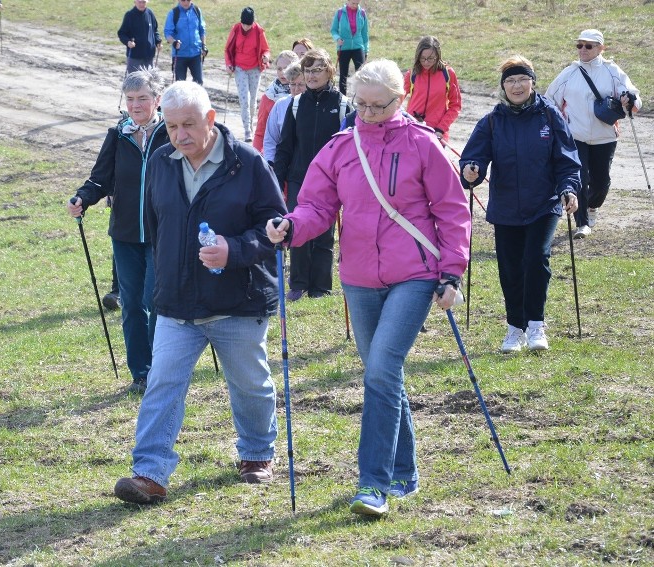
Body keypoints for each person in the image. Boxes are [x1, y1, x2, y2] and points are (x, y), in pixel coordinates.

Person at [267, 59, 470, 517]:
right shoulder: (342, 145)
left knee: (379, 370)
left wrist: (452, 271)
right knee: (384, 375)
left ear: (400, 101)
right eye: (361, 105)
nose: (368, 114)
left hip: (415, 274)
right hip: (358, 277)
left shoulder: (423, 144)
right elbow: (316, 205)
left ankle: (372, 484)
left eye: (379, 107)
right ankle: (406, 473)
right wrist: (291, 226)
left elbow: (453, 210)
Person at [113, 81, 288, 505]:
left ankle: (256, 455)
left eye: (188, 124)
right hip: (177, 303)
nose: (180, 135)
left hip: (237, 301)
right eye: (172, 126)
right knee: (162, 384)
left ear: (210, 119)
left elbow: (277, 228)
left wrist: (235, 249)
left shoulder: (246, 163)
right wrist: (163, 284)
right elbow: (158, 229)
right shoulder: (161, 162)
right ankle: (150, 473)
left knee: (249, 383)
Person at [460, 55, 581, 353]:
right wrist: (472, 169)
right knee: (510, 268)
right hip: (506, 207)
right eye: (510, 81)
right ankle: (515, 328)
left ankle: (536, 324)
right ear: (503, 86)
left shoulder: (550, 117)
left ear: (532, 82)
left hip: (544, 203)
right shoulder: (492, 120)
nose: (516, 86)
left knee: (536, 259)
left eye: (522, 80)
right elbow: (472, 157)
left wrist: (568, 188)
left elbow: (567, 160)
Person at [67, 68, 170, 395]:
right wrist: (82, 198)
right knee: (132, 306)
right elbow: (100, 179)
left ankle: (160, 369)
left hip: (161, 233)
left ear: (157, 99)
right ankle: (140, 373)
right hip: (125, 234)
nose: (136, 105)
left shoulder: (171, 132)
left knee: (156, 301)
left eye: (142, 98)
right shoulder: (118, 134)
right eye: (130, 99)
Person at [544, 29, 641, 239]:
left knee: (601, 182)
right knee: (579, 178)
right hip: (574, 136)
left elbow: (633, 96)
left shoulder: (612, 70)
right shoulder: (569, 72)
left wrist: (629, 100)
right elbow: (549, 99)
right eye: (579, 45)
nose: (583, 50)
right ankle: (582, 224)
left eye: (588, 46)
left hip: (605, 136)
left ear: (601, 48)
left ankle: (591, 206)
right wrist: (559, 125)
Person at [273, 48, 350, 301]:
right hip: (299, 177)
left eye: (318, 69)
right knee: (296, 226)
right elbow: (285, 146)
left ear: (330, 71)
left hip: (330, 179)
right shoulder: (295, 104)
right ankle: (298, 282)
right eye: (308, 70)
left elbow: (348, 146)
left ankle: (320, 286)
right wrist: (277, 179)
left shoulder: (342, 104)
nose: (312, 75)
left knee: (324, 232)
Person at [403, 36, 461, 144]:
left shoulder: (448, 74)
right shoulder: (412, 74)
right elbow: (396, 100)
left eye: (430, 58)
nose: (426, 62)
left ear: (438, 56)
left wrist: (441, 129)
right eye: (422, 58)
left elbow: (455, 106)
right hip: (413, 129)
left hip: (437, 133)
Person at [224, 7, 271, 142]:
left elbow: (266, 49)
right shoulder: (236, 29)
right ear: (241, 22)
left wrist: (265, 57)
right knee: (244, 99)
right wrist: (228, 64)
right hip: (239, 68)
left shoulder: (258, 31)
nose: (246, 27)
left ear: (252, 23)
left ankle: (251, 124)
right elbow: (227, 49)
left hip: (255, 68)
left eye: (248, 24)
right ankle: (247, 130)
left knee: (252, 100)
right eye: (244, 24)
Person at [253, 50, 298, 153]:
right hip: (276, 153)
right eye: (279, 69)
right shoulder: (269, 96)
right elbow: (260, 133)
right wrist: (256, 157)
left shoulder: (304, 92)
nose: (282, 72)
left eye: (287, 68)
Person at [262, 61, 305, 164]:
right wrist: (270, 163)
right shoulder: (280, 105)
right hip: (282, 165)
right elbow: (270, 140)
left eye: (301, 85)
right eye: (292, 84)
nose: (296, 89)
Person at [330, 0, 369, 95]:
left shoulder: (362, 13)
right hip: (343, 47)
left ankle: (360, 96)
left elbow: (365, 33)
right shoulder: (339, 13)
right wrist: (337, 38)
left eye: (357, 3)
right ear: (347, 1)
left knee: (361, 73)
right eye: (353, 3)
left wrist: (366, 49)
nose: (355, 5)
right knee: (343, 74)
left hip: (358, 47)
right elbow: (333, 30)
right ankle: (342, 97)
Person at [164, 0, 206, 85]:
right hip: (180, 55)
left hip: (195, 54)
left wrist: (204, 45)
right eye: (183, 0)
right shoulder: (174, 13)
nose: (186, 2)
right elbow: (167, 33)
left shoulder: (197, 10)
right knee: (180, 85)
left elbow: (202, 30)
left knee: (199, 83)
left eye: (188, 0)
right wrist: (174, 42)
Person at [117, 0, 162, 74]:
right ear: (135, 2)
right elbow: (122, 33)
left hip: (149, 55)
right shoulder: (129, 15)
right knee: (132, 81)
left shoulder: (150, 13)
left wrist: (158, 41)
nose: (142, 4)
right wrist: (128, 42)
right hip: (134, 56)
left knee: (148, 82)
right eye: (139, 2)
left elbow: (155, 30)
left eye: (144, 2)